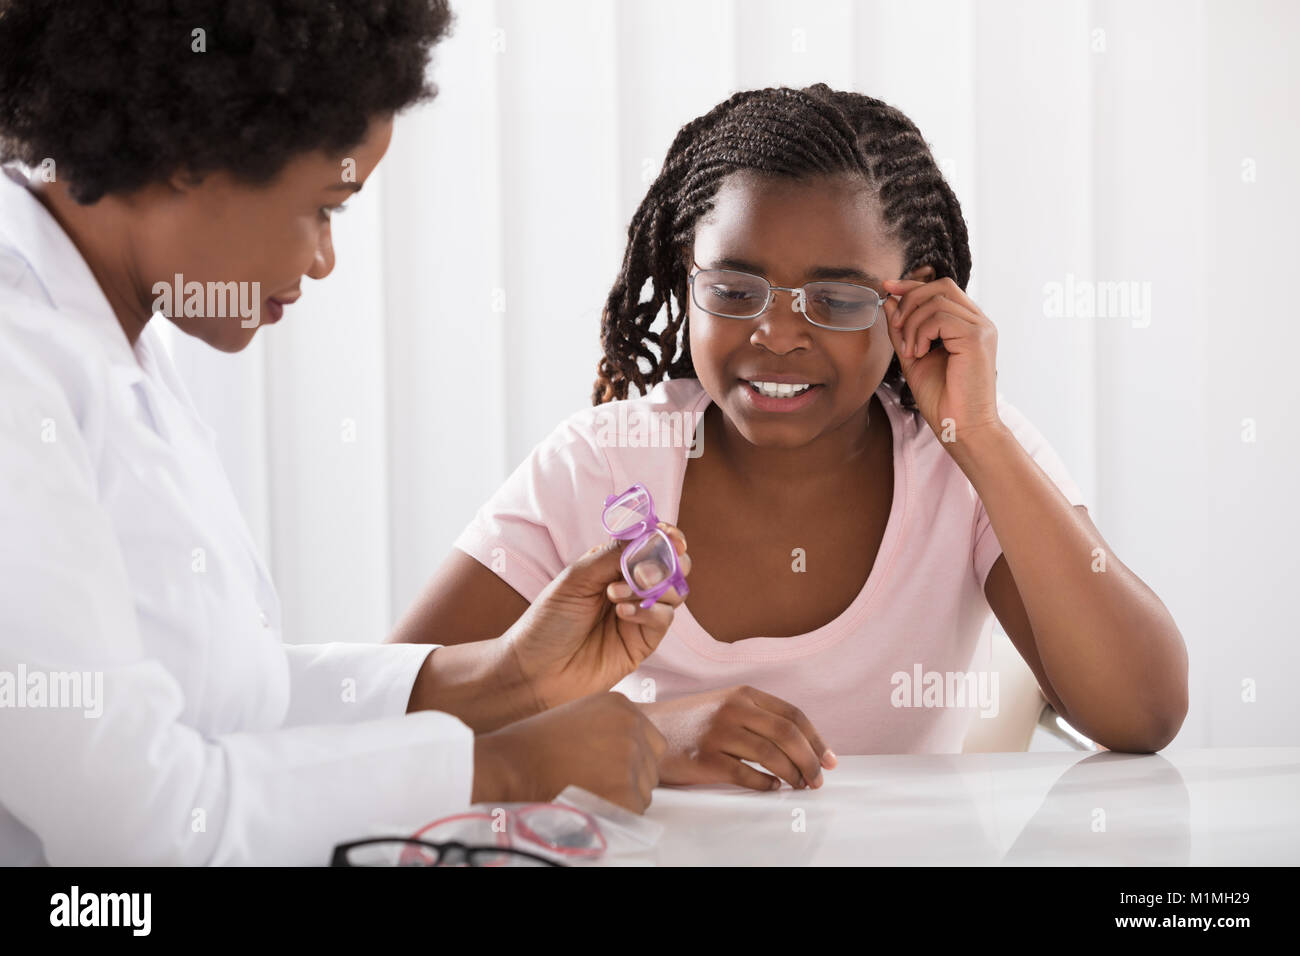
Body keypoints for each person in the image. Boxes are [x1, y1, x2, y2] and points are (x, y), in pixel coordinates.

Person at [0, 0, 688, 866]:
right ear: (190, 154)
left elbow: (219, 699)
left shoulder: (108, 331)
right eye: (327, 206)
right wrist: (495, 771)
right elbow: (140, 819)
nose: (324, 258)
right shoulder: (18, 368)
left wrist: (509, 676)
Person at [390, 85, 1189, 789]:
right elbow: (389, 713)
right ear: (684, 277)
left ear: (912, 305)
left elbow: (1144, 713)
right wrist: (649, 737)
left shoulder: (968, 455)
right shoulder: (603, 462)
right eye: (735, 290)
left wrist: (977, 436)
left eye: (838, 300)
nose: (775, 336)